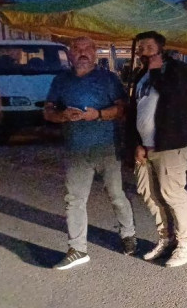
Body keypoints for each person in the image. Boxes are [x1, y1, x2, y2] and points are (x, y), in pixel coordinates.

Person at [44, 36, 135, 270]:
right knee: (74, 199)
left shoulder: (108, 79)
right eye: (77, 49)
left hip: (107, 148)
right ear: (70, 54)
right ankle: (77, 249)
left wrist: (100, 115)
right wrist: (62, 116)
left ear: (95, 53)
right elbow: (49, 110)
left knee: (116, 195)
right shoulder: (61, 80)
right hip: (76, 150)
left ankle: (128, 233)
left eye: (87, 49)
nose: (82, 53)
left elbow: (123, 109)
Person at [128, 31, 187, 267]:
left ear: (160, 47)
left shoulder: (176, 70)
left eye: (149, 46)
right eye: (141, 47)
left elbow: (175, 97)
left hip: (169, 144)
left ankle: (186, 245)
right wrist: (137, 142)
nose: (144, 50)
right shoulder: (140, 74)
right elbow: (136, 109)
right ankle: (166, 238)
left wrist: (157, 69)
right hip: (145, 146)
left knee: (172, 194)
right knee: (149, 194)